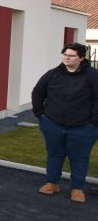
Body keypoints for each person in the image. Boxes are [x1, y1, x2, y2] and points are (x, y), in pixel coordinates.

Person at [32, 42, 98, 203]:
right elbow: (38, 92)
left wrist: (93, 122)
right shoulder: (53, 74)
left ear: (81, 58)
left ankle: (77, 188)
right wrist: (40, 114)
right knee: (54, 155)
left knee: (79, 158)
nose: (66, 58)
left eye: (71, 55)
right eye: (65, 54)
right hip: (53, 124)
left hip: (83, 127)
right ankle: (52, 183)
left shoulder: (92, 75)